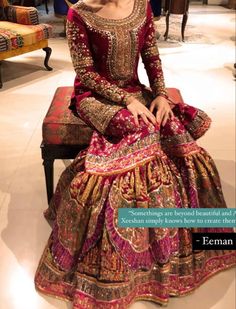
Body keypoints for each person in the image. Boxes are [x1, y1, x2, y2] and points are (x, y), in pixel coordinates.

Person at [34, 0, 236, 308]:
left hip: (136, 92)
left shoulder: (141, 6)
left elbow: (151, 56)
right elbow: (85, 73)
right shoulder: (80, 12)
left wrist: (161, 96)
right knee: (140, 128)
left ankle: (192, 238)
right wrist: (126, 101)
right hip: (94, 98)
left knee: (170, 126)